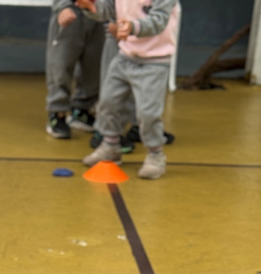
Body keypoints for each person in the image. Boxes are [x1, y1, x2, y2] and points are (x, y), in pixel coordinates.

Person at [79, 0, 180, 179]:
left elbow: (159, 21)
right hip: (124, 55)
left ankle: (155, 155)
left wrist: (132, 27)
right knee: (109, 101)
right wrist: (91, 7)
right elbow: (107, 10)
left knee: (148, 112)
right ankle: (110, 146)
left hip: (155, 61)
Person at [45, 0, 105, 139]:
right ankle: (57, 112)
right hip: (71, 9)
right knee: (61, 63)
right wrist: (63, 6)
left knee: (94, 65)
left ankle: (82, 109)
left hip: (99, 11)